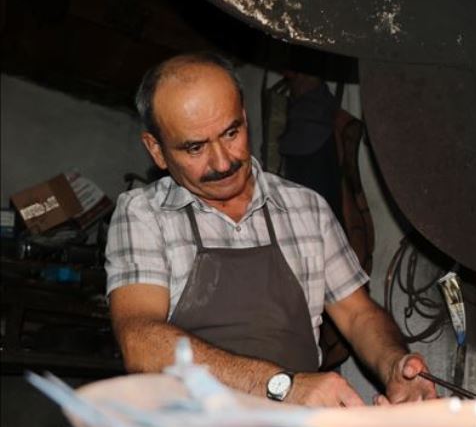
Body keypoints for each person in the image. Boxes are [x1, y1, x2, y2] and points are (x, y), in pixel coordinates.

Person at [105, 52, 437, 407]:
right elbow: (141, 342)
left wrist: (394, 364)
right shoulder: (144, 214)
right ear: (156, 150)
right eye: (195, 148)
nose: (223, 161)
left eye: (231, 132)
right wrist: (282, 386)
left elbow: (358, 315)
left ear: (245, 117)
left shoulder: (307, 208)